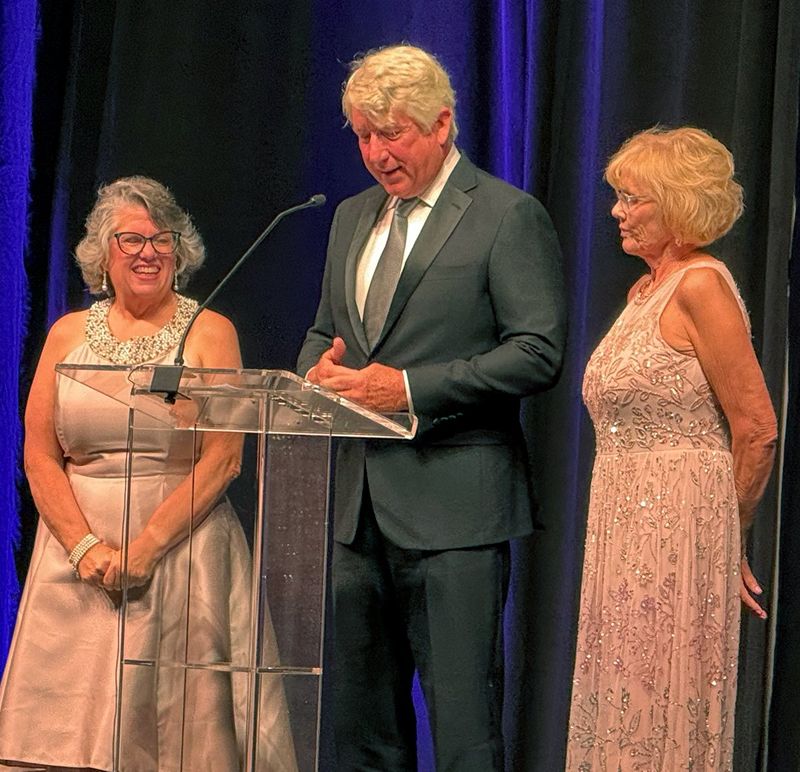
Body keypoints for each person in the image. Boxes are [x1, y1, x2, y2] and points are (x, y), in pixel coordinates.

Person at [297, 44, 566, 771]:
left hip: (456, 513)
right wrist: (316, 369)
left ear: (443, 124)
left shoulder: (508, 216)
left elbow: (537, 352)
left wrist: (409, 389)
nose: (376, 152)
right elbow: (326, 331)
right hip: (357, 516)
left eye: (393, 134)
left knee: (464, 731)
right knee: (362, 734)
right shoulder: (352, 217)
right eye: (362, 135)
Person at [0, 177, 296, 771]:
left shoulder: (212, 331)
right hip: (74, 559)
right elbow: (38, 455)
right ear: (102, 254)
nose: (148, 253)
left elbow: (224, 456)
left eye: (161, 239)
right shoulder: (65, 334)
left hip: (183, 554)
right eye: (131, 239)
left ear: (179, 251)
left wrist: (146, 547)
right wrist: (84, 547)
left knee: (178, 742)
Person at [566, 127, 777, 771]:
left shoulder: (701, 285)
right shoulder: (646, 290)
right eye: (617, 198)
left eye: (633, 200)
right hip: (624, 532)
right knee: (625, 702)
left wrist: (726, 535)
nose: (616, 212)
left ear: (680, 206)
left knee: (665, 701)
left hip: (682, 537)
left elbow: (757, 427)